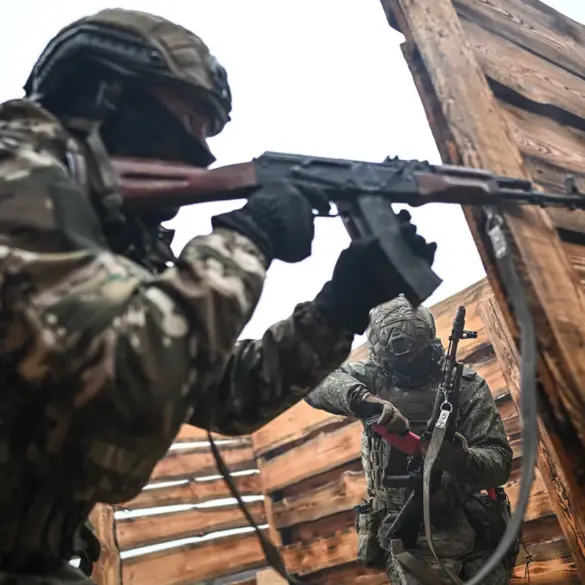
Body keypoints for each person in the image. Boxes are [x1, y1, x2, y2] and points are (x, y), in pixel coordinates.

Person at [0, 8, 437, 585]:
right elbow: (126, 381)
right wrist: (247, 239)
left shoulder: (104, 235)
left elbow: (226, 395)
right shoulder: (15, 178)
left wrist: (341, 306)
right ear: (102, 94)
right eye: (188, 120)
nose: (203, 155)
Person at [305, 295, 517, 585]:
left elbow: (499, 462)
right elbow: (314, 381)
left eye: (415, 357)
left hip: (470, 525)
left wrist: (462, 459)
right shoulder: (372, 378)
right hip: (407, 531)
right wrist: (363, 401)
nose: (407, 367)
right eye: (397, 362)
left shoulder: (465, 385)